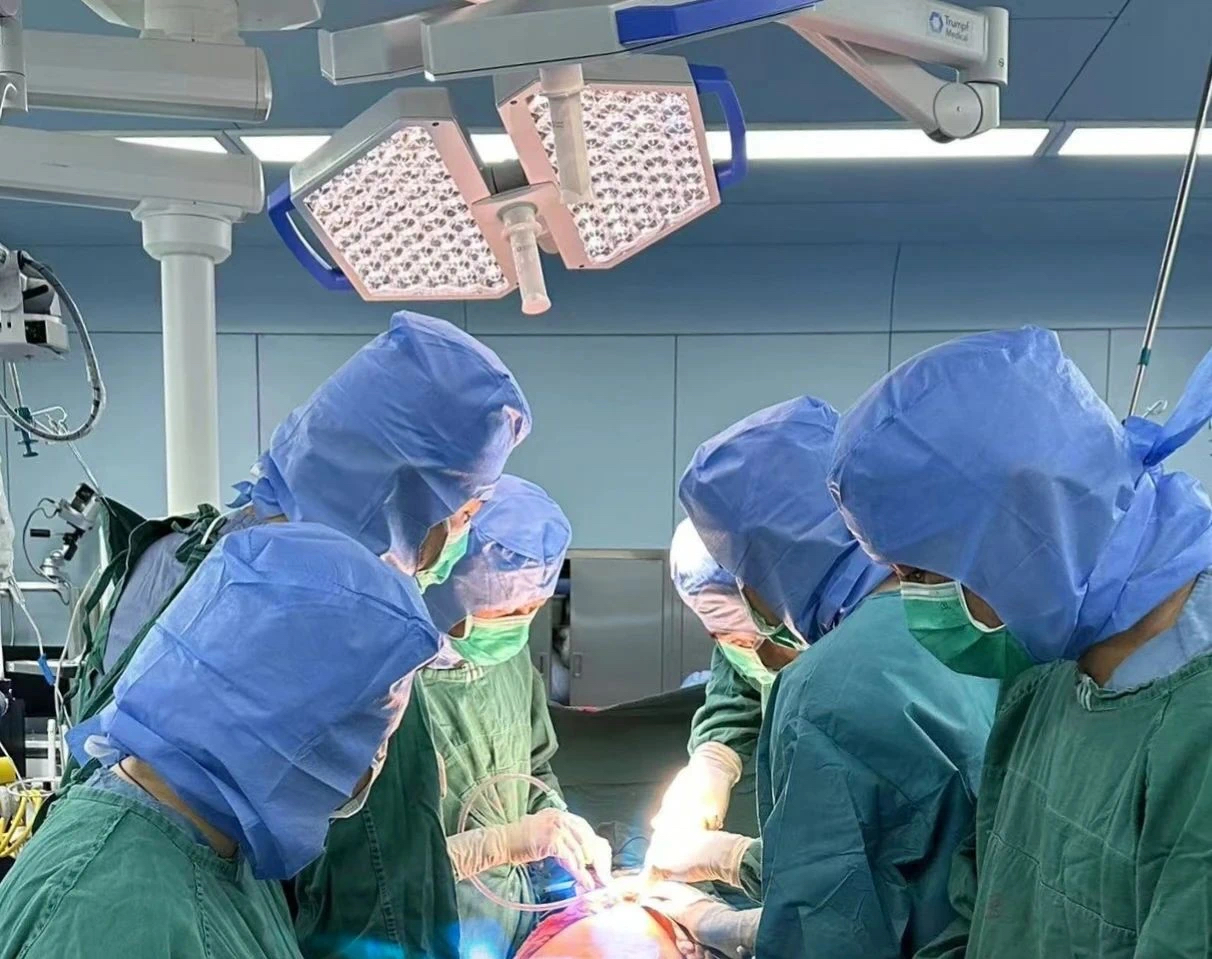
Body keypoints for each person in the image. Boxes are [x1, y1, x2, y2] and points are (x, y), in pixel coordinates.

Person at [63, 311, 532, 959]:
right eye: (463, 510)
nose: (457, 535)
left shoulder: (192, 556)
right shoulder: (350, 626)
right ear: (409, 492)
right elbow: (379, 906)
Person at [827, 326, 1212, 958]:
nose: (915, 603)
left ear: (1016, 536)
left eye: (919, 574)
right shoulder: (1046, 678)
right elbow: (984, 907)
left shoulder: (1194, 733)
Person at [650, 396, 998, 959]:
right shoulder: (978, 626)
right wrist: (713, 762)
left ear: (769, 564)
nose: (760, 639)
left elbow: (825, 925)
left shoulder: (826, 689)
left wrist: (718, 921)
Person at [0, 523, 440, 958]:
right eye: (372, 738)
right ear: (290, 720)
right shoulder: (109, 913)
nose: (374, 762)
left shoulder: (220, 843)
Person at [415, 475, 611, 959]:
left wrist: (558, 824)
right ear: (448, 592)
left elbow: (534, 768)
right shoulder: (388, 685)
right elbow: (362, 867)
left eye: (533, 608)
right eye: (505, 612)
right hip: (416, 931)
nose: (518, 625)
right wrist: (501, 844)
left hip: (510, 924)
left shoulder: (509, 661)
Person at [651, 520, 782, 887]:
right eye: (724, 637)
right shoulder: (740, 640)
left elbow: (838, 862)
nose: (753, 654)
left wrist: (734, 861)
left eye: (762, 639)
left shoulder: (862, 669)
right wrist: (713, 762)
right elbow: (738, 690)